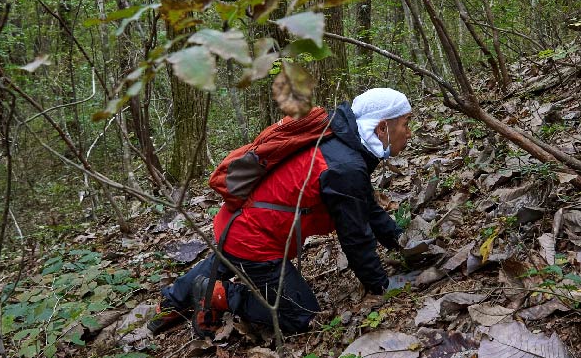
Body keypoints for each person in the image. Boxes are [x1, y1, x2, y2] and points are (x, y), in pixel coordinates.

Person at [148, 88, 413, 338]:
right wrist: (381, 286)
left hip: (237, 222)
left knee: (231, 257)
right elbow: (355, 237)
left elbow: (366, 206)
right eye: (405, 124)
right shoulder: (346, 166)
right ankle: (217, 295)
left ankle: (172, 301)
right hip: (255, 239)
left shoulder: (338, 140)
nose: (409, 133)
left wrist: (400, 242)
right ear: (381, 127)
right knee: (301, 315)